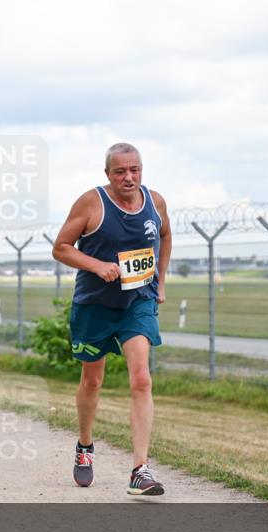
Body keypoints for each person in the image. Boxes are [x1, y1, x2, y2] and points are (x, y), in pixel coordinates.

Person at [51, 142, 171, 494]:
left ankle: (140, 470)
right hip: (95, 304)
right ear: (108, 174)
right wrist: (97, 265)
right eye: (120, 172)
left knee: (142, 378)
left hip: (138, 301)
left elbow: (165, 236)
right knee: (92, 381)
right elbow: (60, 248)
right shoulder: (92, 203)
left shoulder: (155, 202)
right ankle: (85, 446)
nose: (128, 177)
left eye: (134, 170)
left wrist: (161, 282)